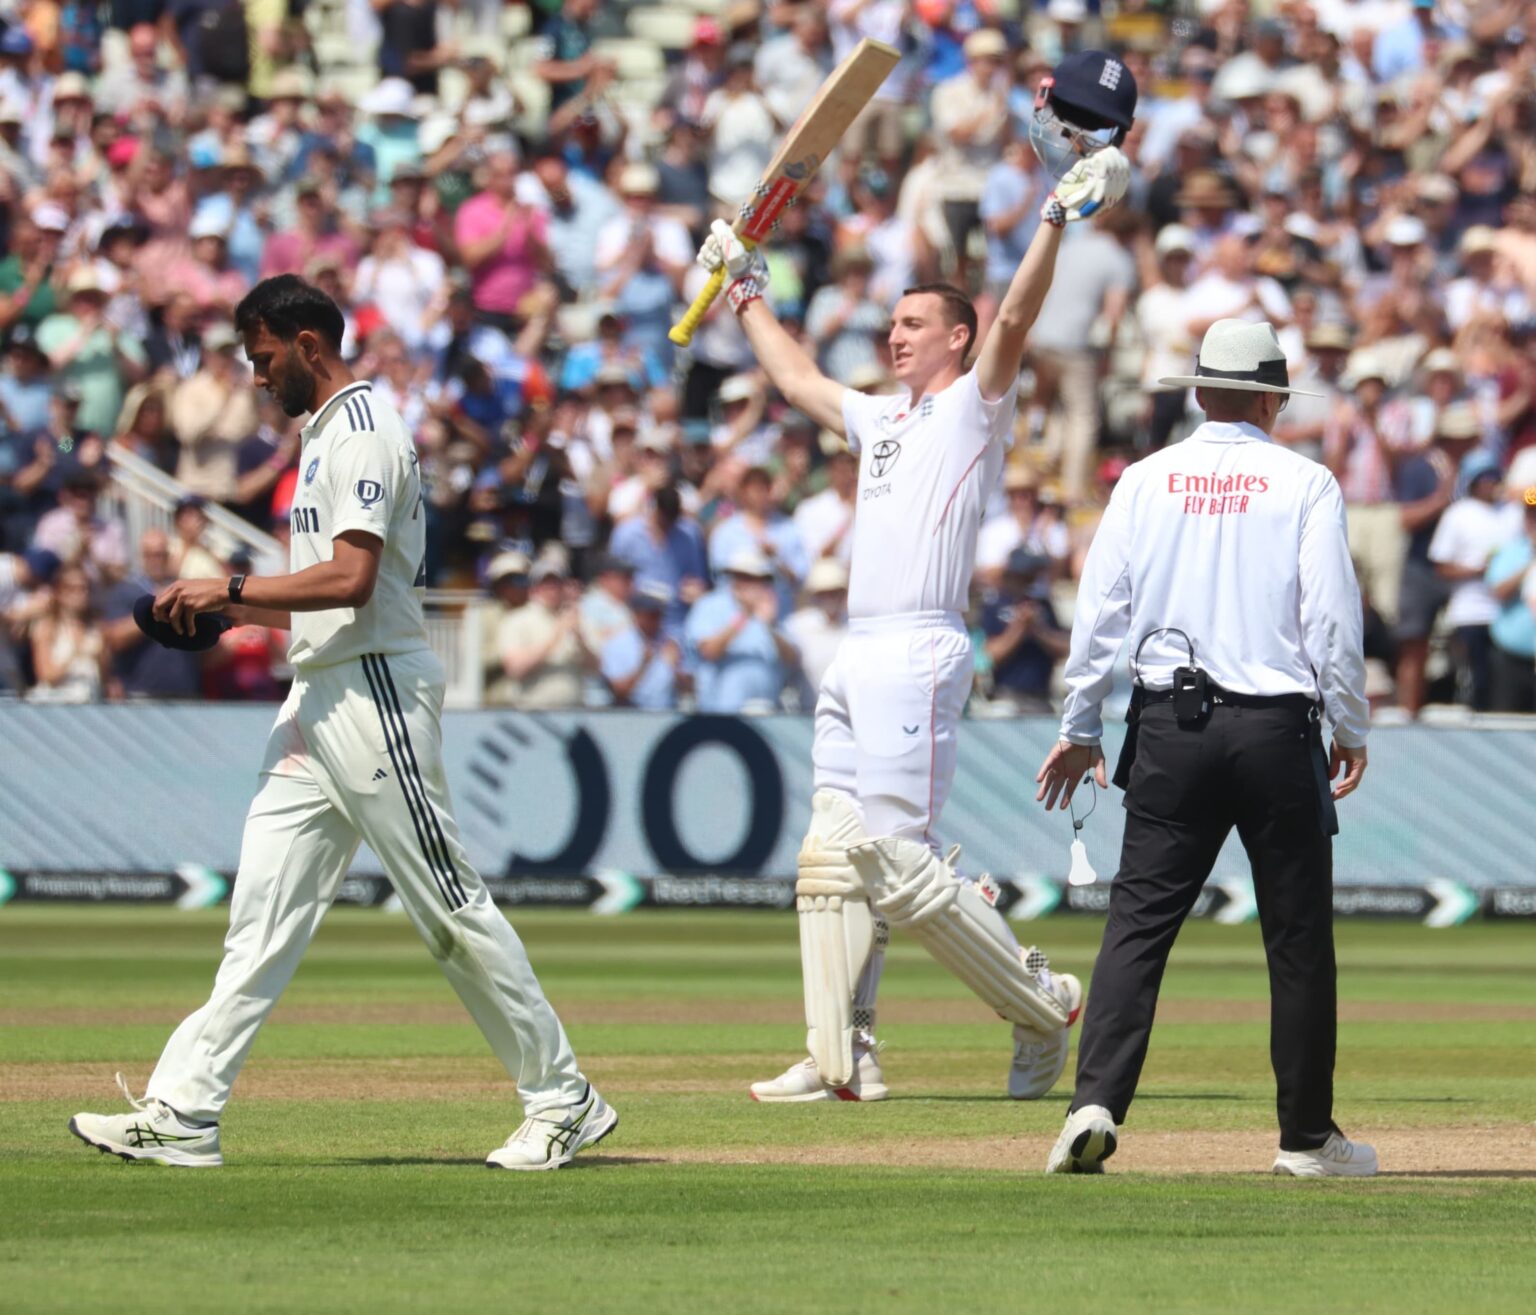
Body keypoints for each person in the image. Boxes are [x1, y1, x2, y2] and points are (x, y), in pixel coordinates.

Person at [68, 276, 616, 1171]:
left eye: (262, 356)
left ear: (308, 344)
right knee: (261, 915)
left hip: (373, 697)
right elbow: (322, 600)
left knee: (445, 904)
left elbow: (352, 582)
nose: (255, 375)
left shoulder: (363, 431)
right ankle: (183, 1112)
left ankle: (563, 1097)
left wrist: (230, 587)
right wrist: (235, 611)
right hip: (319, 695)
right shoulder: (323, 436)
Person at [709, 51, 1135, 1106]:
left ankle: (1042, 1005)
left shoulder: (969, 407)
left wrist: (1051, 218)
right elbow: (802, 380)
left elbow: (1022, 321)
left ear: (958, 337)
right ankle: (838, 1053)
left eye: (913, 327)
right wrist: (743, 290)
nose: (894, 338)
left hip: (922, 644)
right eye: (891, 325)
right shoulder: (883, 417)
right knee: (828, 857)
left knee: (896, 862)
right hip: (858, 647)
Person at [1038, 319, 1375, 1178]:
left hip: (1169, 726)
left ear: (1198, 392)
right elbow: (1330, 616)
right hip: (1272, 726)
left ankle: (1093, 1104)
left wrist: (1080, 727)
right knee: (1297, 938)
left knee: (1137, 925)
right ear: (1271, 398)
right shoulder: (1305, 481)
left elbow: (1098, 613)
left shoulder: (1145, 480)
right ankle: (1304, 1138)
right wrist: (1350, 721)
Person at [1429, 453, 1522, 712]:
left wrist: (1523, 492)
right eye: (1486, 478)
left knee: (1505, 680)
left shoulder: (1511, 511)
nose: (1492, 483)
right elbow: (1441, 566)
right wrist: (1477, 570)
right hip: (1471, 612)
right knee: (1476, 678)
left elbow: (1533, 499)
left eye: (1496, 477)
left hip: (1507, 614)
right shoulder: (1458, 514)